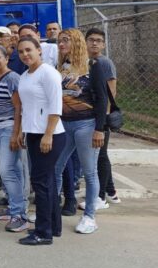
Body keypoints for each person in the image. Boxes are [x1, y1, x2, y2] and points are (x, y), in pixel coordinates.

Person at [13, 36, 65, 246]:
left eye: (29, 50)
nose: (25, 54)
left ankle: (43, 233)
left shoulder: (49, 73)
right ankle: (54, 226)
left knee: (40, 183)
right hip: (33, 134)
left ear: (39, 50)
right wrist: (22, 132)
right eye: (21, 52)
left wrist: (48, 134)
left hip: (50, 135)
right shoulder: (25, 75)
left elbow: (55, 107)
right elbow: (27, 108)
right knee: (47, 182)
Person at [53, 29, 105, 234]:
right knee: (56, 167)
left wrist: (99, 129)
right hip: (64, 124)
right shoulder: (61, 67)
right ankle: (50, 211)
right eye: (59, 41)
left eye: (65, 40)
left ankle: (90, 216)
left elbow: (102, 100)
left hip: (87, 124)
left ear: (76, 42)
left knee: (90, 172)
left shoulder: (93, 66)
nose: (61, 44)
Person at [0, 46, 27, 232]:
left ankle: (19, 215)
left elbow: (19, 108)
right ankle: (13, 207)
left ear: (6, 58)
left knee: (6, 171)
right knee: (14, 171)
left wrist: (16, 133)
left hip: (8, 129)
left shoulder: (12, 78)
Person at [86, 28, 120, 205]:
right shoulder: (87, 62)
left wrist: (104, 119)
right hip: (91, 114)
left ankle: (100, 197)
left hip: (101, 117)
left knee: (100, 156)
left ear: (104, 44)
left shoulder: (104, 62)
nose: (94, 43)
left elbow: (111, 92)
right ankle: (112, 191)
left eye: (98, 40)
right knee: (100, 155)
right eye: (91, 39)